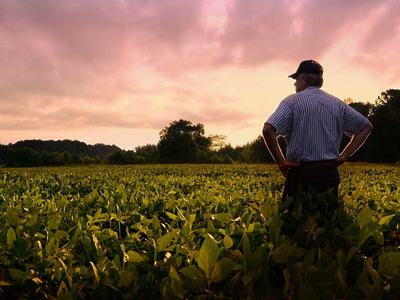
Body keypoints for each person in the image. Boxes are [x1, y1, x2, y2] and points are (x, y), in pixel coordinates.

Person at [262, 60, 373, 227]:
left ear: (305, 78)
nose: (295, 84)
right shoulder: (337, 103)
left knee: (291, 225)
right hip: (328, 172)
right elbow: (365, 127)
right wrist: (344, 155)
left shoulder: (292, 102)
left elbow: (268, 129)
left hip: (300, 173)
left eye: (296, 79)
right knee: (327, 225)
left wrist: (280, 161)